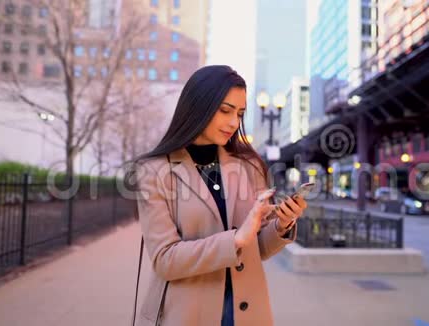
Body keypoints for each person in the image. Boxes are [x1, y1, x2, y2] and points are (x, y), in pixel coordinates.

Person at [132, 65, 308, 326]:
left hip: (248, 312)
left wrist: (282, 225)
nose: (233, 123)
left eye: (239, 113)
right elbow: (164, 260)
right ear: (198, 107)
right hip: (188, 313)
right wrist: (236, 239)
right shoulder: (154, 171)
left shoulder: (249, 165)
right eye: (225, 110)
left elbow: (256, 248)